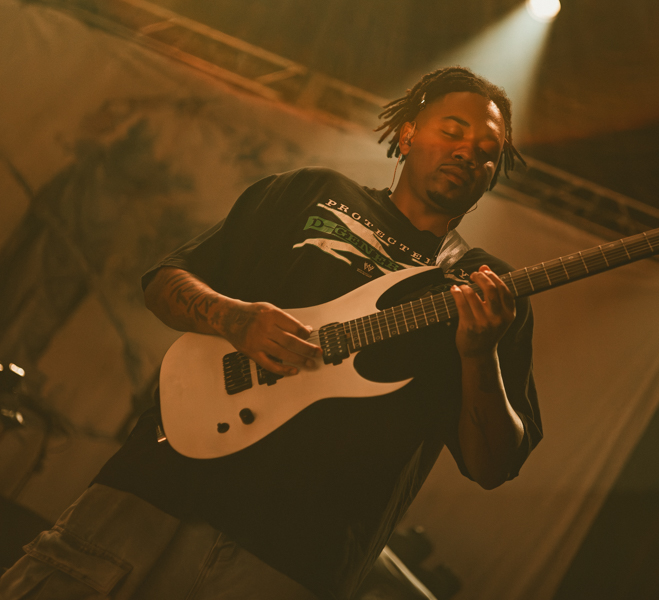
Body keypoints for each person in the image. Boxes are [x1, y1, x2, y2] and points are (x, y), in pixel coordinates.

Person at [0, 67, 542, 600]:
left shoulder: (487, 289)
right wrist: (234, 318)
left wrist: (481, 355)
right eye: (453, 131)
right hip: (155, 487)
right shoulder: (313, 192)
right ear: (408, 134)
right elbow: (165, 282)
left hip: (294, 558)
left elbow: (492, 465)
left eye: (487, 150)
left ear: (492, 175)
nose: (468, 152)